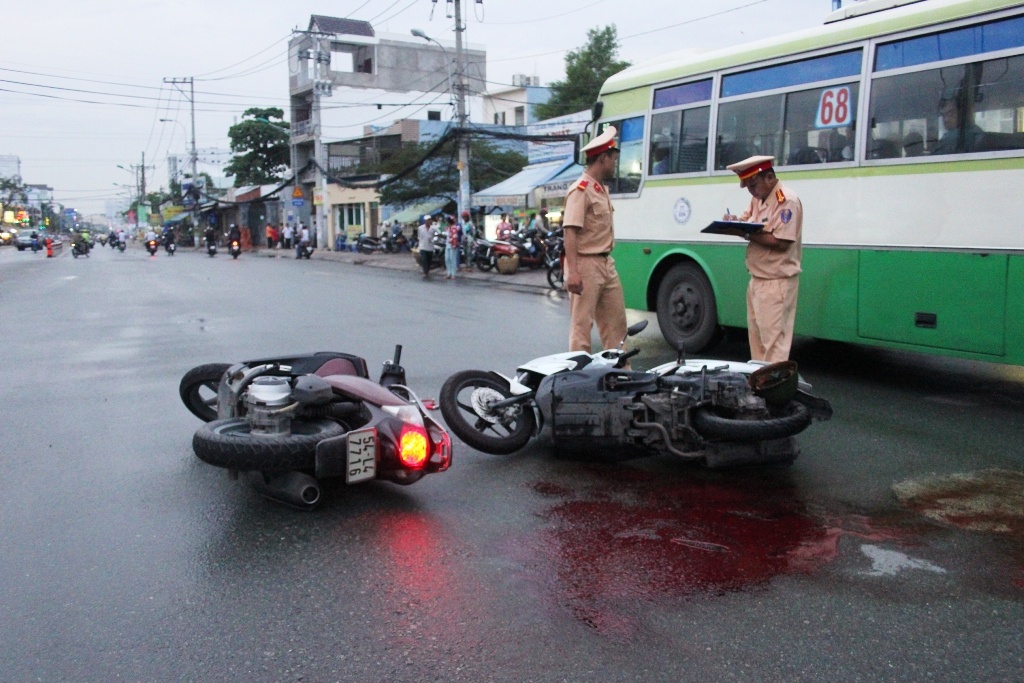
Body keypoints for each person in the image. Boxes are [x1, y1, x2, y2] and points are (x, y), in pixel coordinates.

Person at [723, 155, 803, 363]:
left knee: (774, 348)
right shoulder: (758, 198)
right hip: (757, 280)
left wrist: (745, 233)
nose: (751, 191)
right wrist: (732, 223)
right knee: (758, 346)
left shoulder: (787, 201)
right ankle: (761, 388)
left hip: (776, 282)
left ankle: (775, 392)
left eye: (753, 185)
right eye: (748, 187)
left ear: (769, 178)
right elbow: (745, 219)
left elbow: (782, 242)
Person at [562, 126, 628, 354]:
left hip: (605, 263)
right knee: (582, 327)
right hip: (585, 264)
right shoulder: (580, 190)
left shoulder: (600, 189)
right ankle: (578, 379)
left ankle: (619, 375)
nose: (615, 164)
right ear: (603, 158)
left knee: (617, 326)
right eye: (614, 159)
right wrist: (572, 271)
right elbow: (570, 231)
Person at [444, 215, 462, 280]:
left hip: (453, 245)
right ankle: (448, 273)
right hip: (447, 245)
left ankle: (453, 274)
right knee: (447, 259)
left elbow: (455, 237)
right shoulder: (448, 228)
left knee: (452, 259)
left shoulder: (454, 228)